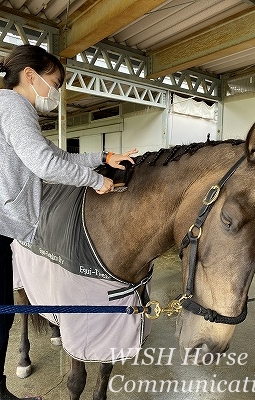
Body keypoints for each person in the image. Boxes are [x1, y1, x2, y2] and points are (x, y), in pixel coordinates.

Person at [0, 44, 138, 400]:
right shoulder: (14, 106)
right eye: (55, 82)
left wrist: (103, 157)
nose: (57, 92)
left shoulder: (14, 109)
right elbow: (45, 164)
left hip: (5, 227)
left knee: (3, 318)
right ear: (30, 76)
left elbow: (53, 154)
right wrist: (98, 180)